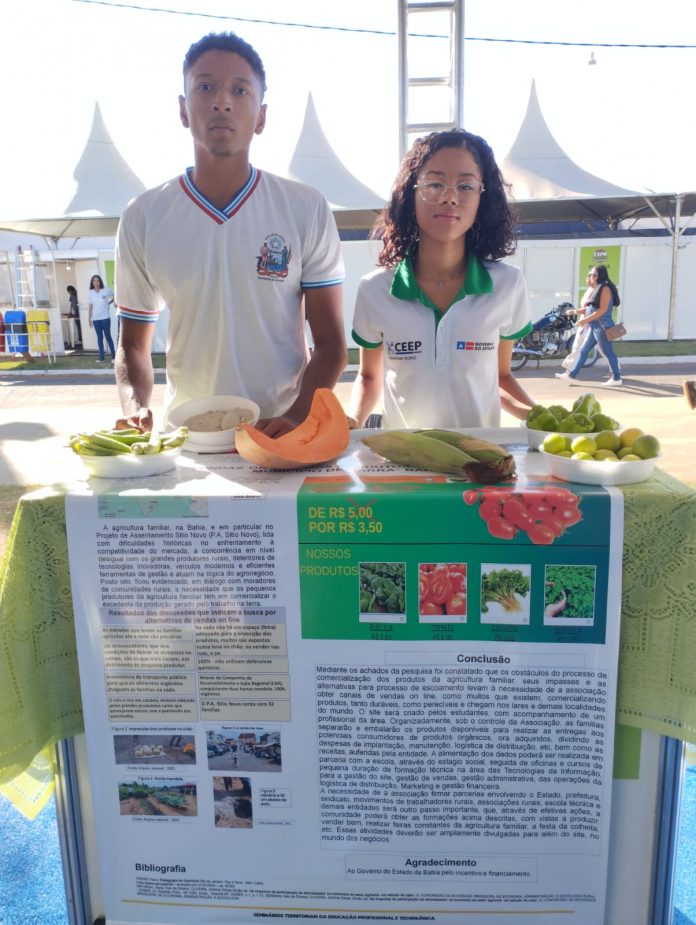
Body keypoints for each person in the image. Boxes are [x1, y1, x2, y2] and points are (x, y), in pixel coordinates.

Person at [114, 31, 346, 435]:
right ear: (184, 110)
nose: (222, 101)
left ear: (261, 116)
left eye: (240, 90)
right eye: (206, 87)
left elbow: (331, 346)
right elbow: (132, 345)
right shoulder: (144, 216)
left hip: (280, 430)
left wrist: (296, 416)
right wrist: (135, 406)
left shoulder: (304, 207)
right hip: (188, 435)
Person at [347, 129, 535, 430]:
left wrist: (547, 419)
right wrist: (353, 419)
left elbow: (500, 378)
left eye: (465, 186)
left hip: (480, 462)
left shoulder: (508, 285)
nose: (449, 198)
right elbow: (369, 376)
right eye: (435, 184)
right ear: (410, 193)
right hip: (402, 462)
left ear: (482, 197)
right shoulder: (375, 289)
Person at [557, 265, 622, 387]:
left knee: (608, 352)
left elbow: (602, 310)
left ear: (600, 275)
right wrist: (575, 312)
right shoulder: (598, 288)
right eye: (590, 274)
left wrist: (584, 320)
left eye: (593, 274)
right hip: (594, 326)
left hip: (602, 326)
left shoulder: (605, 288)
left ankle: (616, 377)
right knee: (583, 350)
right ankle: (572, 375)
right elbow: (590, 308)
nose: (590, 277)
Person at [88, 275, 116, 364]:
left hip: (105, 318)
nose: (96, 283)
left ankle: (114, 356)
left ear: (100, 282)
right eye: (94, 281)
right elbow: (90, 306)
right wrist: (89, 319)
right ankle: (101, 357)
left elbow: (116, 294)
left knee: (108, 336)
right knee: (99, 338)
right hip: (96, 319)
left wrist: (111, 302)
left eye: (97, 281)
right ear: (92, 283)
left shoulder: (106, 290)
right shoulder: (90, 292)